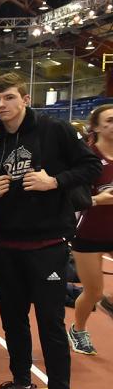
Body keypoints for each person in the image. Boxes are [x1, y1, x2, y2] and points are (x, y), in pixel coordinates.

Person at [0, 72, 101, 389]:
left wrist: (55, 181)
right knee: (13, 318)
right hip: (6, 244)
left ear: (24, 98)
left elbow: (91, 166)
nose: (2, 105)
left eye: (8, 98)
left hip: (48, 243)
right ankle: (21, 382)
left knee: (50, 323)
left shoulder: (55, 131)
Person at [70, 104, 113, 355]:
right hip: (89, 232)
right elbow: (75, 197)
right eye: (108, 121)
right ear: (96, 127)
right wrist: (100, 199)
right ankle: (78, 328)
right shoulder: (88, 157)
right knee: (94, 292)